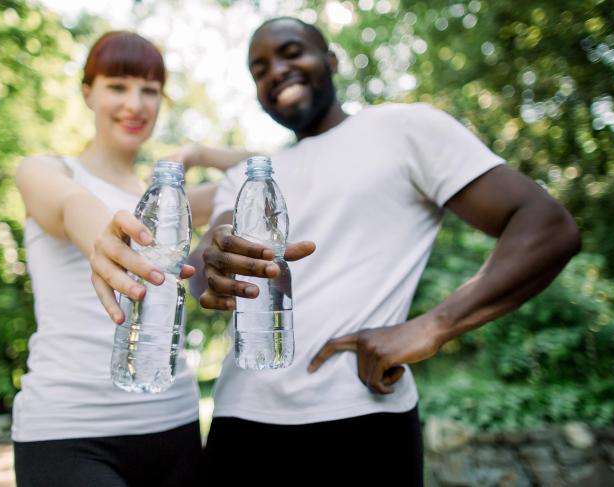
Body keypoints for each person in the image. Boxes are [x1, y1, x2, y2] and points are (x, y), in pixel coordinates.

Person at [186, 17, 582, 486]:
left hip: (362, 423)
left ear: (330, 62)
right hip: (240, 425)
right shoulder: (253, 176)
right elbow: (201, 272)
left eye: (291, 53)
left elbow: (547, 226)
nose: (275, 71)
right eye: (260, 68)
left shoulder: (404, 128)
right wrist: (212, 258)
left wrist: (436, 325)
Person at [11, 31, 249, 487]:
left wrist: (199, 153)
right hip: (70, 432)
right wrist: (106, 238)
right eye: (117, 86)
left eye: (150, 90)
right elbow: (70, 206)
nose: (135, 104)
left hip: (173, 425)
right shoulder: (46, 171)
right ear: (88, 92)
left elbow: (265, 168)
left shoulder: (170, 202)